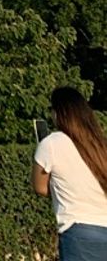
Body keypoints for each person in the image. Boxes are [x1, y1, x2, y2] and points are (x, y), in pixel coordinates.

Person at [32, 86, 107, 259]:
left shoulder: (51, 144)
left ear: (58, 113)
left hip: (77, 232)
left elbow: (40, 187)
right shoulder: (100, 145)